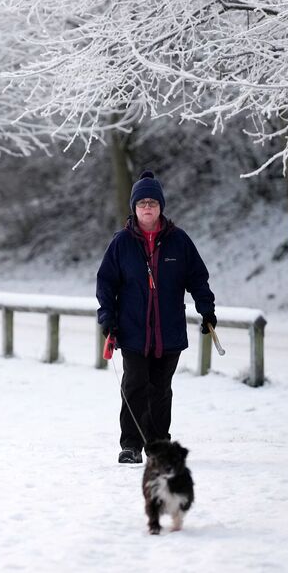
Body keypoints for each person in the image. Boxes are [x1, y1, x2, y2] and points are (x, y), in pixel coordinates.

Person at [96, 170, 216, 464]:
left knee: (161, 390)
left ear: (161, 206)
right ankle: (131, 445)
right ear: (134, 208)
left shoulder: (179, 241)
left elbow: (198, 279)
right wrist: (107, 317)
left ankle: (159, 445)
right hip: (133, 330)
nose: (147, 208)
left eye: (152, 202)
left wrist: (207, 308)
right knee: (135, 385)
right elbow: (106, 283)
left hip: (169, 330)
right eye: (141, 203)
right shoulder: (122, 243)